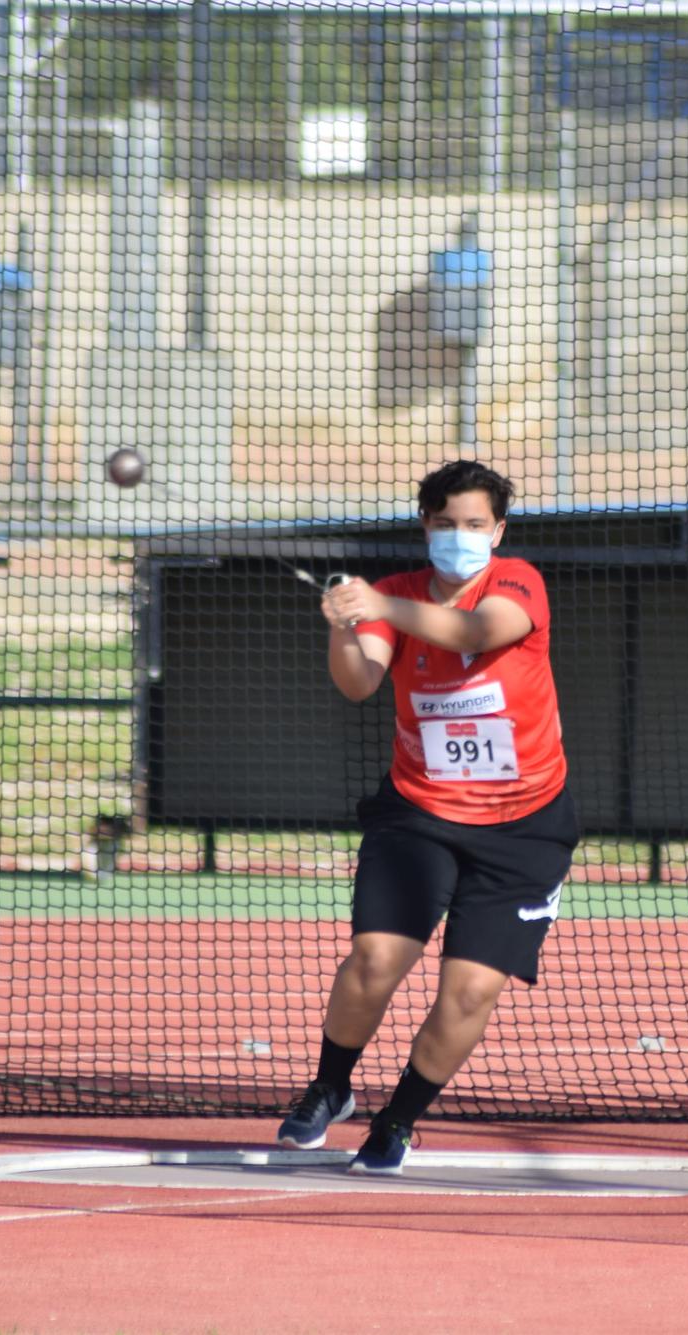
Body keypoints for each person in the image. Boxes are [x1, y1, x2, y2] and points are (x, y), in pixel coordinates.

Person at [275, 460, 578, 1175]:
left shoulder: (517, 583)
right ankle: (330, 1087)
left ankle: (400, 1117)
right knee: (376, 959)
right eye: (445, 523)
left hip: (525, 826)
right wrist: (347, 625)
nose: (460, 536)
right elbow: (359, 682)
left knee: (470, 988)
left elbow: (469, 628)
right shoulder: (400, 595)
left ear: (498, 530)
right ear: (425, 526)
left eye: (476, 524)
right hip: (419, 813)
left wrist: (376, 603)